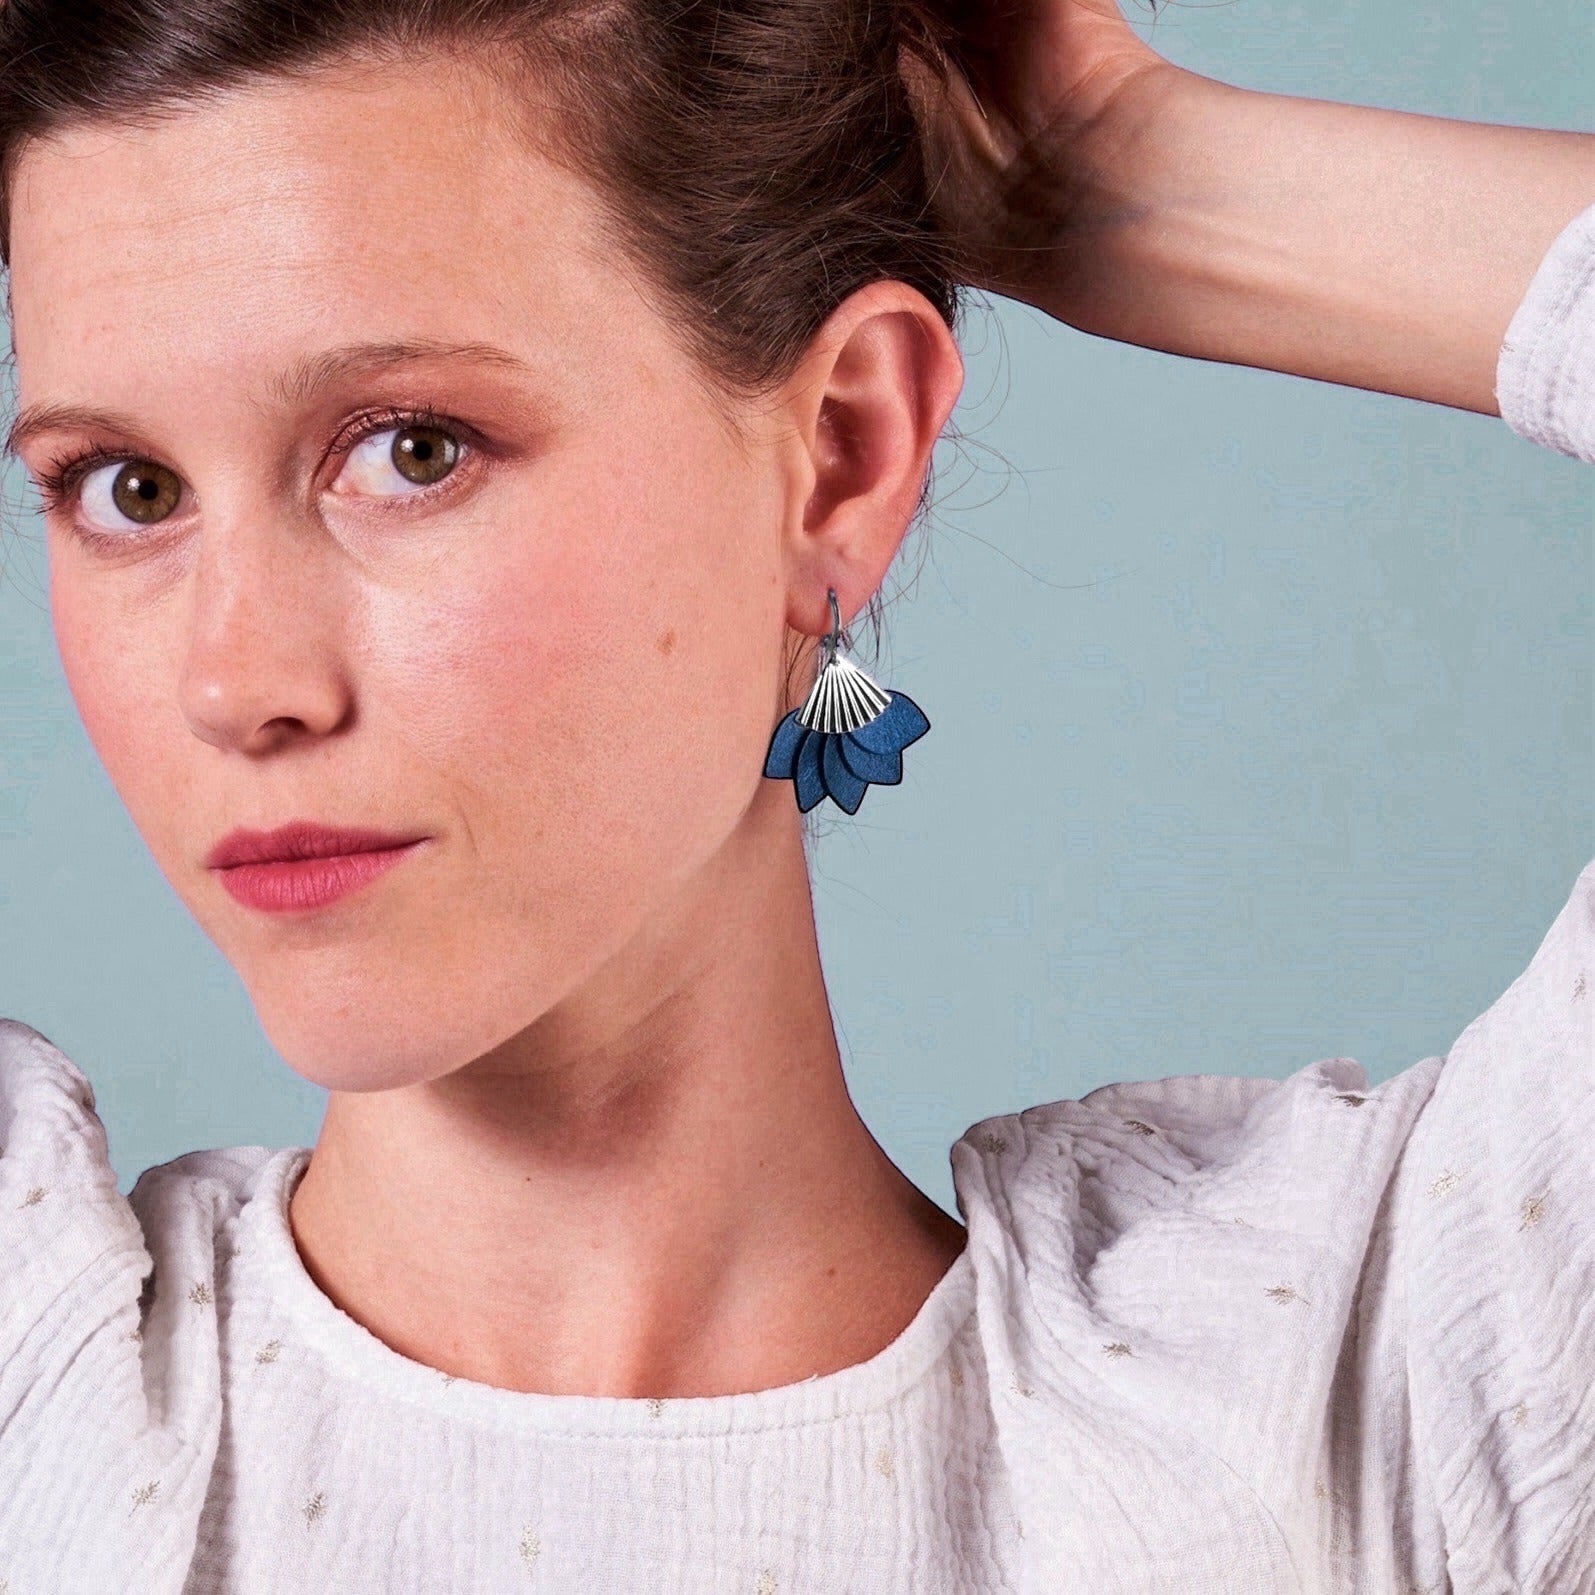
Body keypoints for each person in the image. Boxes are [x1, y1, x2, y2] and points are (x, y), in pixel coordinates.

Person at [0, 0, 1587, 1589]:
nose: (235, 681)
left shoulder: (1357, 1397)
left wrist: (1129, 170)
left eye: (414, 450)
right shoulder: (36, 1396)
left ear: (837, 457)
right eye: (124, 490)